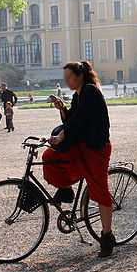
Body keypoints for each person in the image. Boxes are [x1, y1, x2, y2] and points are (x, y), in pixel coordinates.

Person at [44, 61, 115, 257]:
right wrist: (62, 108)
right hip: (83, 144)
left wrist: (61, 136)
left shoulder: (91, 91)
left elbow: (79, 120)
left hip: (96, 147)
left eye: (69, 78)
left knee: (99, 190)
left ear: (80, 76)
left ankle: (107, 236)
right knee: (51, 156)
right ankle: (66, 191)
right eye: (65, 78)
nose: (66, 81)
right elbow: (72, 119)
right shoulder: (78, 95)